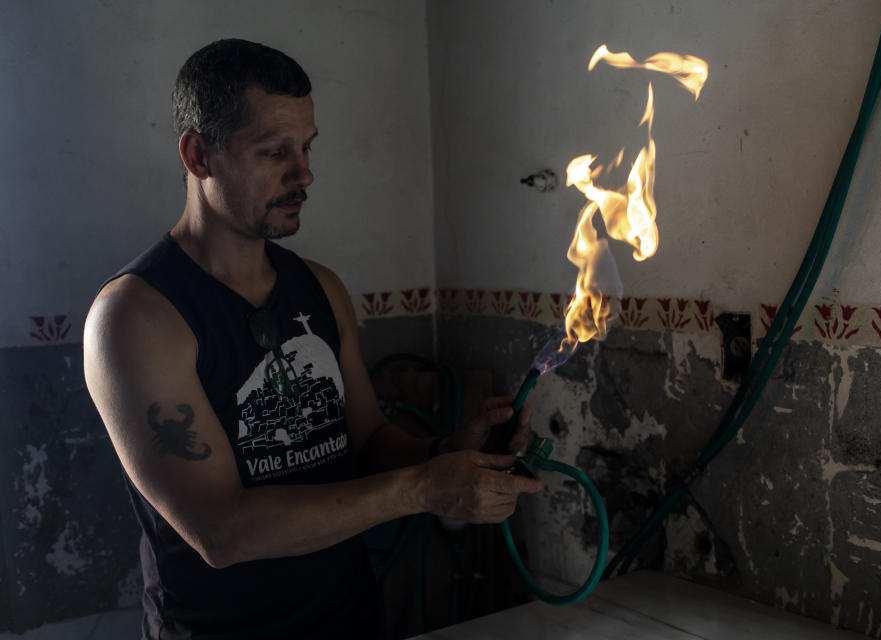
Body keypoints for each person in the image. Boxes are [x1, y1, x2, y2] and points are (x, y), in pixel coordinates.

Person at [83, 39, 542, 640]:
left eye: (306, 148)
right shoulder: (137, 317)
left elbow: (370, 440)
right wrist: (424, 489)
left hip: (349, 618)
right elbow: (221, 532)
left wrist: (446, 452)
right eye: (275, 152)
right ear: (199, 155)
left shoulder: (320, 289)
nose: (305, 174)